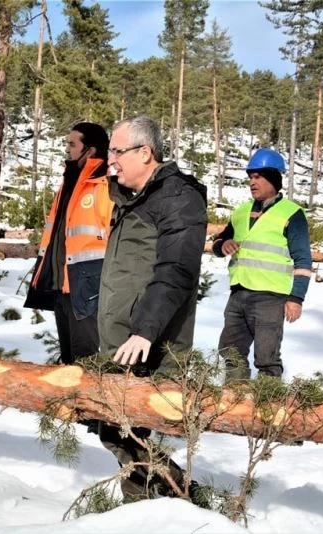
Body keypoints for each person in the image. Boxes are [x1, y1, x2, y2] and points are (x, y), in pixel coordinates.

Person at [97, 116, 208, 502]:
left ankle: (170, 501)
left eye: (117, 151)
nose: (110, 160)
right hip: (124, 337)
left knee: (125, 426)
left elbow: (176, 270)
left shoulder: (179, 198)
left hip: (149, 340)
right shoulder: (133, 197)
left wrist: (144, 330)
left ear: (145, 153)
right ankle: (157, 502)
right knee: (116, 426)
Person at [213, 148, 312, 382]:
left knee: (267, 359)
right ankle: (235, 404)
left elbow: (303, 261)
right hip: (238, 294)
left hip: (271, 297)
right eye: (250, 177)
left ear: (273, 179)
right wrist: (224, 244)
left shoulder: (291, 214)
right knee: (231, 352)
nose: (252, 182)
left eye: (258, 177)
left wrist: (296, 298)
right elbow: (217, 243)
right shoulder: (240, 211)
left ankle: (268, 410)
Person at [25, 122, 112, 364]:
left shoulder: (104, 187)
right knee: (68, 362)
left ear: (90, 150)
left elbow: (116, 241)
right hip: (62, 288)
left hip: (88, 289)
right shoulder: (69, 184)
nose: (67, 149)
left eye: (72, 144)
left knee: (87, 364)